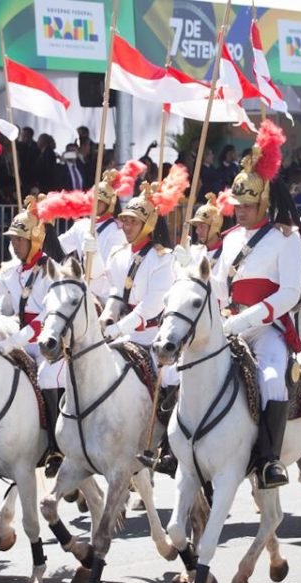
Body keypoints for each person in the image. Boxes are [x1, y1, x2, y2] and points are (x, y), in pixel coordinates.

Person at [210, 120, 301, 489]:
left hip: (268, 330)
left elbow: (289, 294)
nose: (240, 211)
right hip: (229, 323)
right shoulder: (231, 239)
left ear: (263, 201)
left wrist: (247, 319)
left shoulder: (286, 238)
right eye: (237, 205)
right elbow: (220, 284)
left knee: (270, 381)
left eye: (247, 205)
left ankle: (269, 460)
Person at [0, 196, 88, 477]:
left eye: (20, 240)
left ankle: (55, 447)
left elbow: (45, 319)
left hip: (47, 342)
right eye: (12, 240)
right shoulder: (12, 271)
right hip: (21, 337)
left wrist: (15, 341)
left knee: (48, 377)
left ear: (35, 240)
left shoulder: (53, 270)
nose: (14, 245)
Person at [101, 174, 183, 477]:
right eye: (124, 221)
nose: (126, 226)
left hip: (151, 334)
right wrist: (106, 317)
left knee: (172, 375)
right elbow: (113, 294)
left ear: (148, 224)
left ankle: (169, 447)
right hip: (121, 331)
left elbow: (152, 305)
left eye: (133, 221)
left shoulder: (163, 258)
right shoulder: (118, 255)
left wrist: (120, 328)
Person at [58, 167, 133, 302]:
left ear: (109, 204)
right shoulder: (81, 226)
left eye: (99, 201)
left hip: (105, 293)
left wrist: (94, 252)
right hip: (82, 289)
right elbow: (59, 248)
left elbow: (107, 268)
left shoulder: (117, 231)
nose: (94, 204)